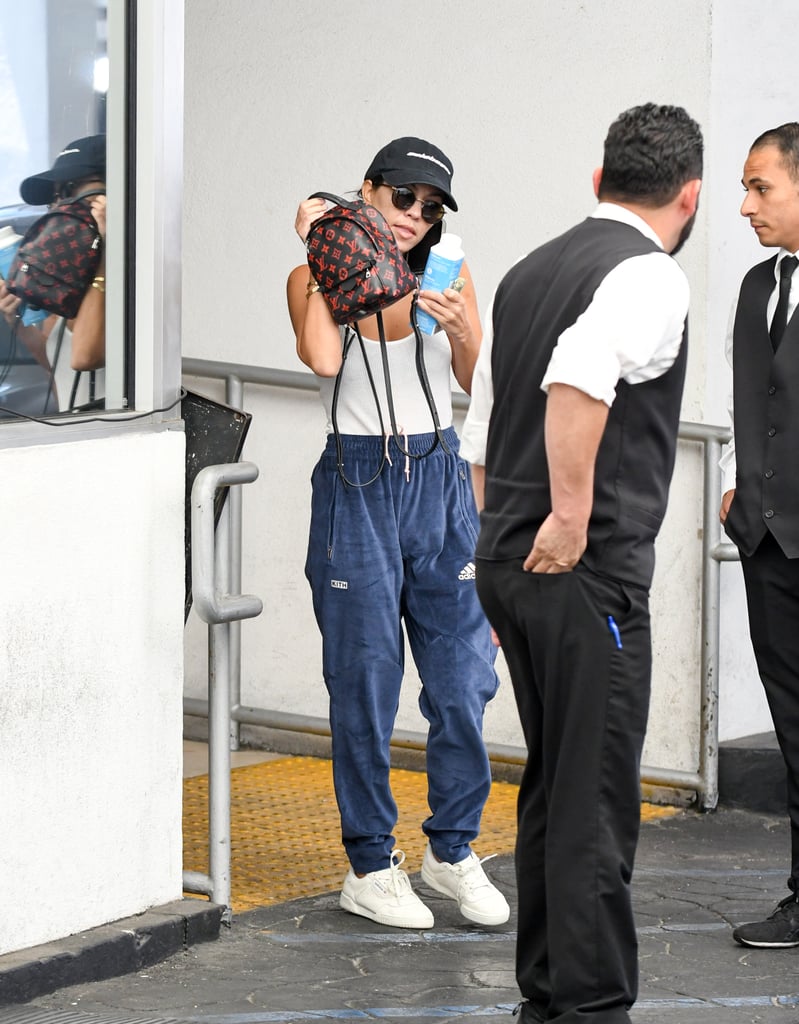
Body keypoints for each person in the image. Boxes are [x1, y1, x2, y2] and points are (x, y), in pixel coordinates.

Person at [460, 104, 703, 1023]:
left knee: (552, 785)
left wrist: (500, 544)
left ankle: (546, 997)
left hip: (511, 566)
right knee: (593, 798)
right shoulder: (648, 274)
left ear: (597, 182)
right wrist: (567, 518)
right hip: (580, 570)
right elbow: (577, 376)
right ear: (689, 195)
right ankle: (591, 1009)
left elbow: (480, 424)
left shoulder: (527, 272)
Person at [286, 137, 509, 931]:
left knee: (462, 679)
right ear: (367, 190)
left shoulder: (446, 271)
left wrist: (457, 330)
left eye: (430, 206)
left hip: (439, 478)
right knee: (365, 681)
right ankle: (370, 864)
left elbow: (473, 379)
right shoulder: (317, 271)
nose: (415, 216)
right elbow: (318, 356)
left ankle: (450, 851)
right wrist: (323, 252)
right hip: (357, 481)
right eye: (402, 198)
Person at [719, 122, 799, 950]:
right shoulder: (754, 285)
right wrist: (740, 486)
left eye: (760, 188)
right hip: (767, 540)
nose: (745, 205)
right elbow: (760, 404)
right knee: (792, 727)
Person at [0, 134, 107, 413]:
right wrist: (17, 324)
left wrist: (107, 249)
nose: (61, 207)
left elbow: (83, 358)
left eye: (73, 190)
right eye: (57, 197)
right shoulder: (69, 281)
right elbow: (56, 364)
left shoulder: (126, 280)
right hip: (75, 438)